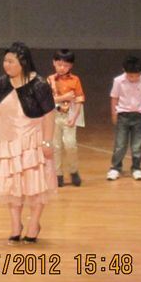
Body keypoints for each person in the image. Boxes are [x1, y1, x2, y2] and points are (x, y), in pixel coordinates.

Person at [0, 42, 56, 245]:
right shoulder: (1, 82)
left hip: (32, 141)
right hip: (9, 141)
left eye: (11, 61)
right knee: (12, 186)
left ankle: (34, 224)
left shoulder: (39, 84)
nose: (6, 65)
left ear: (23, 62)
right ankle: (15, 226)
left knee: (35, 185)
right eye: (5, 61)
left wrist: (47, 142)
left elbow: (49, 115)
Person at [107, 55, 141, 181]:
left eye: (137, 75)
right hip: (123, 115)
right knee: (120, 144)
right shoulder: (118, 81)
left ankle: (137, 168)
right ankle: (115, 168)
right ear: (124, 71)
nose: (134, 78)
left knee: (137, 145)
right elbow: (114, 98)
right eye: (131, 76)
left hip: (139, 116)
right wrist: (114, 114)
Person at [47, 49, 85, 187]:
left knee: (70, 144)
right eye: (59, 64)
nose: (62, 68)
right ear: (54, 63)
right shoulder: (50, 80)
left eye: (66, 65)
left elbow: (79, 99)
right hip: (54, 116)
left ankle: (73, 170)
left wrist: (75, 117)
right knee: (55, 146)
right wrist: (65, 97)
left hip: (69, 115)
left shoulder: (75, 80)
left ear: (71, 66)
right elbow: (48, 100)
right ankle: (57, 174)